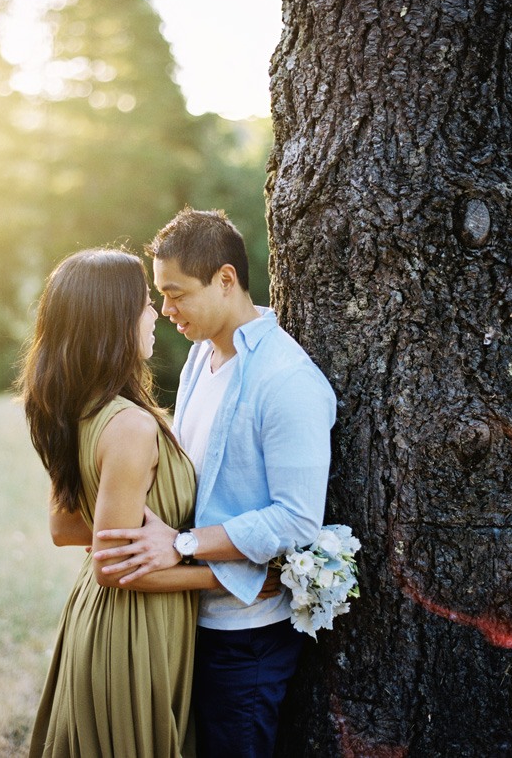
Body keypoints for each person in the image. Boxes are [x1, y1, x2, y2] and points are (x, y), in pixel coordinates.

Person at [94, 209, 337, 758]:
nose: (165, 310)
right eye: (161, 295)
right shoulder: (200, 356)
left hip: (244, 638)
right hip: (183, 618)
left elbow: (297, 519)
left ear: (226, 280)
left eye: (176, 294)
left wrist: (181, 544)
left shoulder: (288, 381)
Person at [18, 248, 224, 758]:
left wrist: (139, 534)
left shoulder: (77, 407)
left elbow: (66, 529)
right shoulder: (129, 426)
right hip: (131, 632)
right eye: (143, 303)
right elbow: (113, 566)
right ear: (113, 319)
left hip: (99, 617)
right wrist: (231, 577)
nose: (155, 314)